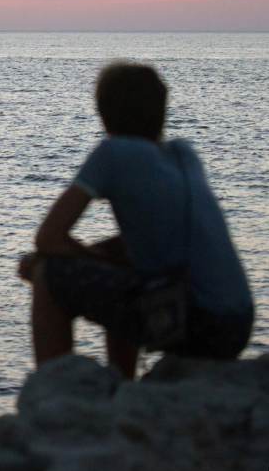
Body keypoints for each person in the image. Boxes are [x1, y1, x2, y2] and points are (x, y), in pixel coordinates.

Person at [18, 63, 254, 379]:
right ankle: (123, 385)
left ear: (104, 114)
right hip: (236, 326)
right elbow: (144, 244)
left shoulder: (112, 153)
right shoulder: (184, 154)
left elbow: (48, 238)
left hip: (195, 324)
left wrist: (62, 259)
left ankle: (53, 390)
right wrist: (100, 257)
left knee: (48, 273)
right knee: (126, 270)